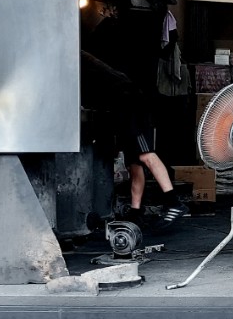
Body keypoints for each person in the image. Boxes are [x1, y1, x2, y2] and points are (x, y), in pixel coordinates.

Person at [81, 51, 188, 230]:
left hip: (130, 103)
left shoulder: (79, 63)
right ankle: (135, 212)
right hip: (120, 108)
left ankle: (174, 203)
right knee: (134, 164)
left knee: (146, 155)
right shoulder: (83, 63)